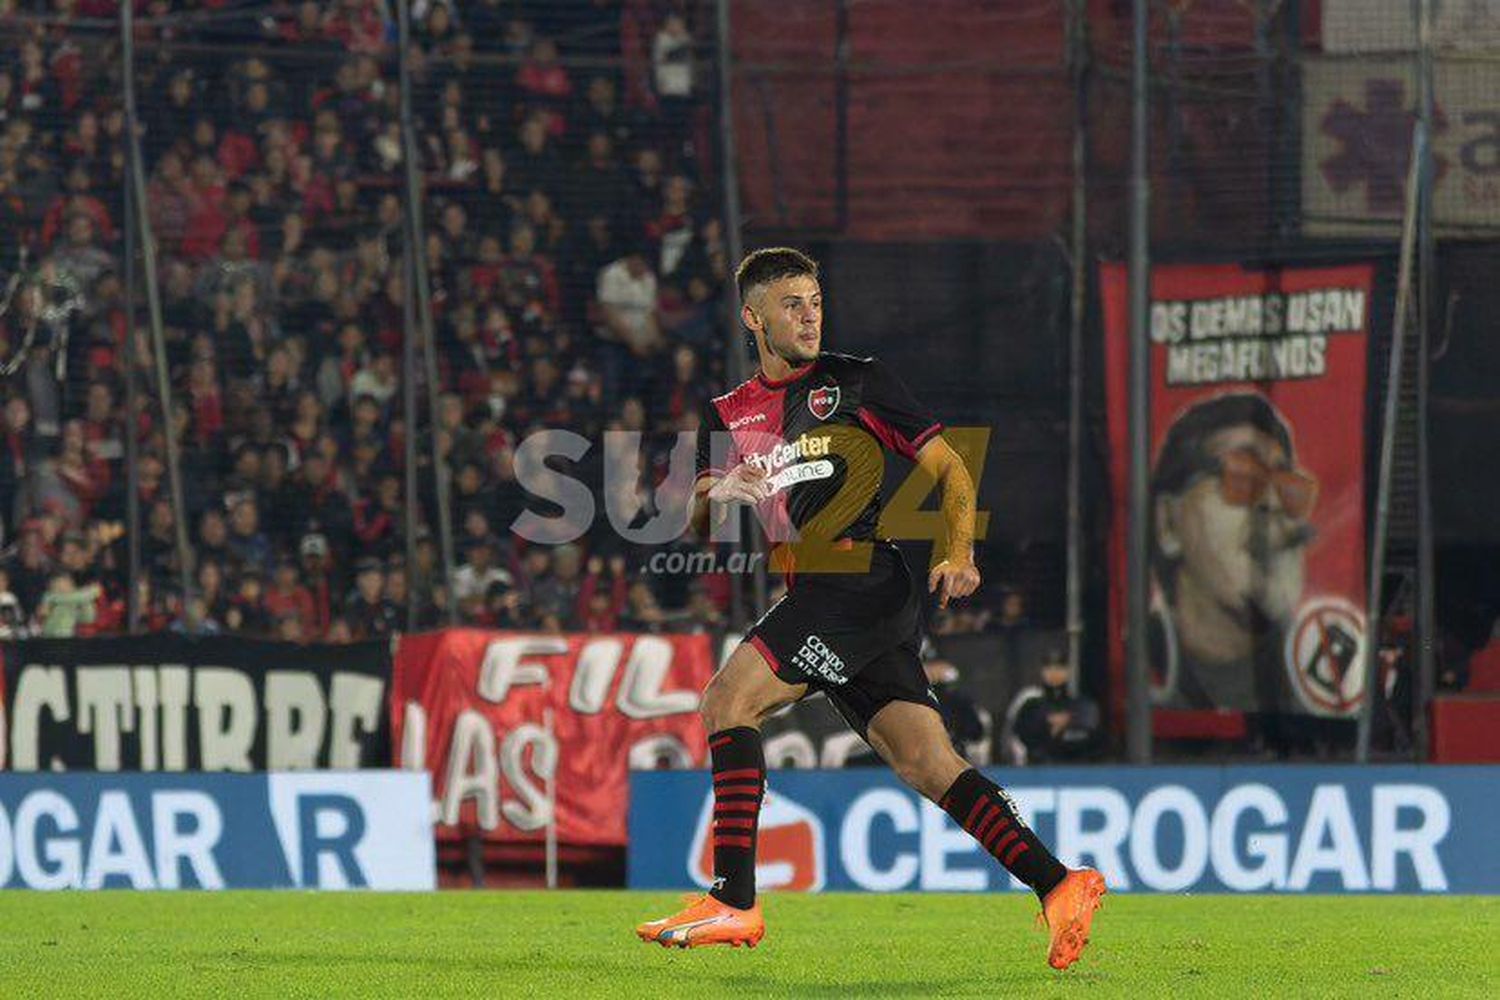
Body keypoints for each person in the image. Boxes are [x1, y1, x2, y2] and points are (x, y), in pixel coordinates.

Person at [635, 248, 1105, 969]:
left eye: (815, 299)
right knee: (927, 763)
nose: (810, 313)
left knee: (728, 703)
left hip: (858, 579)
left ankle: (733, 898)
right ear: (753, 318)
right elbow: (688, 513)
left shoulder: (857, 381)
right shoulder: (728, 413)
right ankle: (1059, 883)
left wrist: (959, 552)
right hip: (830, 597)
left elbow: (949, 468)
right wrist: (717, 494)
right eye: (792, 303)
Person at [1149, 393, 1318, 712]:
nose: (1274, 503)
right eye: (1243, 477)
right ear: (1169, 522)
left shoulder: (1325, 684)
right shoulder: (1132, 674)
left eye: (1287, 487)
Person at [1013, 651, 1102, 764]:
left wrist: (1062, 730)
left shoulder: (1082, 705)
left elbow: (1092, 738)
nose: (1054, 674)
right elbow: (1022, 735)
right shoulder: (1031, 705)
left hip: (1077, 768)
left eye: (1059, 669)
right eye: (1049, 669)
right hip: (1038, 770)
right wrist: (1047, 725)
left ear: (1068, 672)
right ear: (1042, 672)